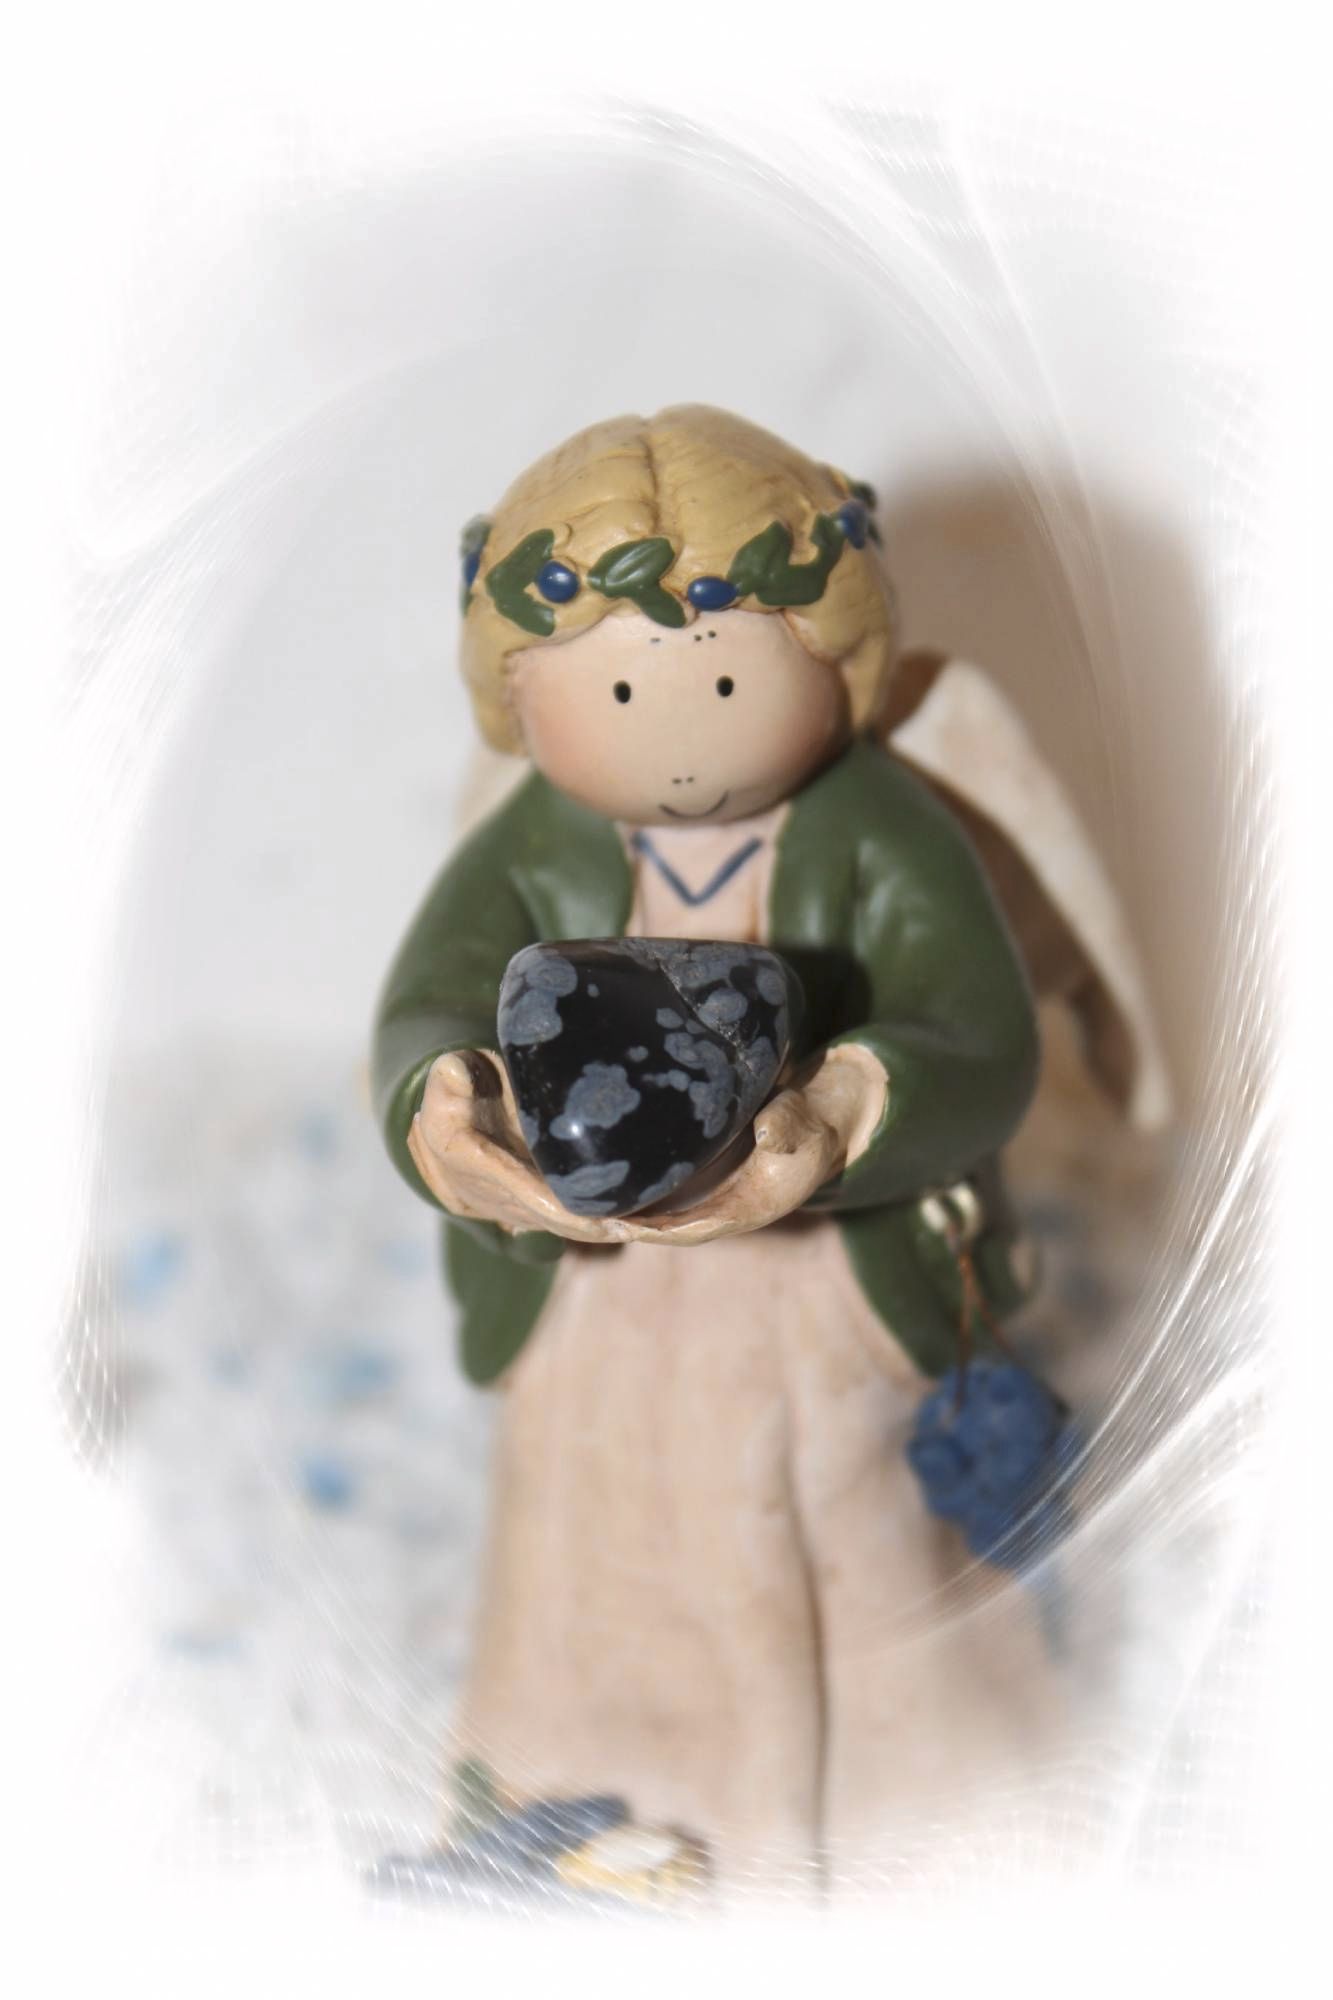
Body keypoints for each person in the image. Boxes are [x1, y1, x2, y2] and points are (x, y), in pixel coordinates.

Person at [372, 406, 1090, 1898]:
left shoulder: (887, 834)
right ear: (518, 702)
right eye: (622, 689)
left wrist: (838, 1119)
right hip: (603, 1294)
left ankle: (910, 1807)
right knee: (601, 1528)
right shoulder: (528, 849)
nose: (680, 735)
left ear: (837, 668)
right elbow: (425, 1004)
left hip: (824, 1286)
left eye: (718, 680)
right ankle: (589, 1796)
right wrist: (447, 1112)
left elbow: (982, 1037)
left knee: (851, 1518)